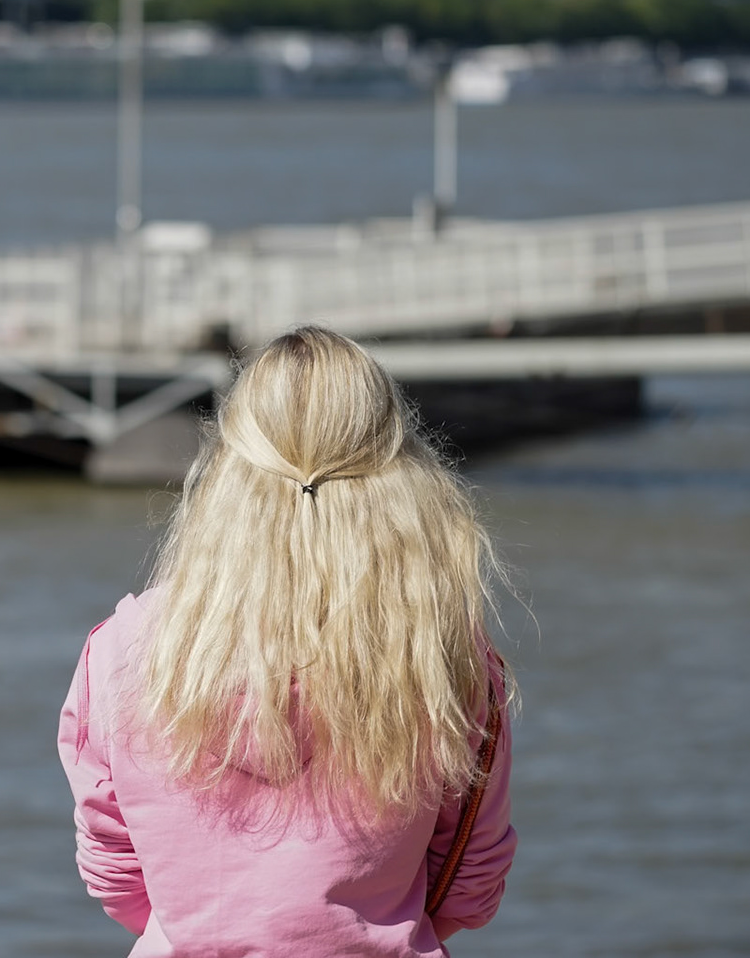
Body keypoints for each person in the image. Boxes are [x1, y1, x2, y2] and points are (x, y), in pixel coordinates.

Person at [58, 325, 515, 956]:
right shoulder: (443, 656)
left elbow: (117, 878)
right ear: (403, 474)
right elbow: (469, 882)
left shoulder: (123, 650)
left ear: (226, 470)